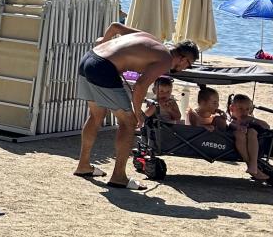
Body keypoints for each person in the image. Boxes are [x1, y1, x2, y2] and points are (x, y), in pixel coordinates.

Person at [73, 24, 198, 188]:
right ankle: (119, 177)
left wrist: (104, 41)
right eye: (189, 64)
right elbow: (140, 86)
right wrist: (138, 113)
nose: (185, 68)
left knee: (96, 115)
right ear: (182, 59)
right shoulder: (166, 59)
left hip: (89, 58)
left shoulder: (152, 39)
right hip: (103, 68)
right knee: (129, 122)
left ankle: (83, 166)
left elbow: (115, 27)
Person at [226, 94, 270, 183]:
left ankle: (253, 165)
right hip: (232, 141)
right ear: (232, 108)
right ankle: (251, 165)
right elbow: (226, 123)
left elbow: (267, 126)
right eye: (240, 109)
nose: (244, 112)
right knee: (240, 134)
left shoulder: (249, 120)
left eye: (247, 109)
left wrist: (253, 120)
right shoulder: (229, 118)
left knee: (252, 132)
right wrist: (237, 125)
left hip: (251, 143)